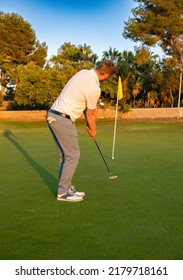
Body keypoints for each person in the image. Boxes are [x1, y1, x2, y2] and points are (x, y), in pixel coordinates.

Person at [46, 60, 117, 202]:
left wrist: (87, 124)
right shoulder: (94, 88)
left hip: (53, 115)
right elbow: (91, 113)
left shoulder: (83, 73)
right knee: (73, 155)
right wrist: (93, 130)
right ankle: (63, 192)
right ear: (106, 76)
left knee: (65, 156)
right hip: (62, 119)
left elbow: (84, 106)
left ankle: (66, 186)